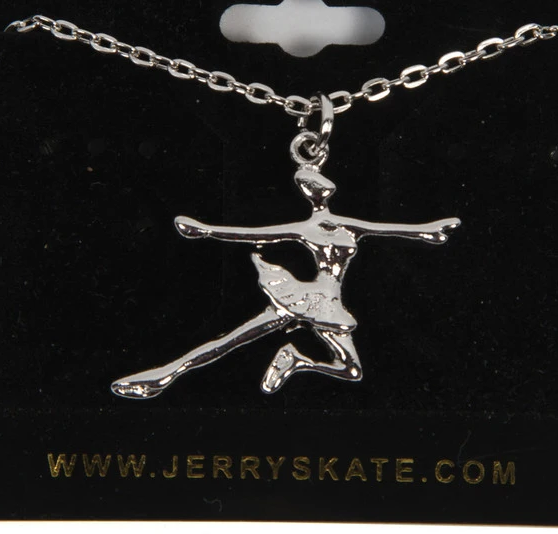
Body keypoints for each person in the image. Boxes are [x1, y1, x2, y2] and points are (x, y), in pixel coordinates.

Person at [111, 163, 459, 398]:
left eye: (321, 184)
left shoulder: (348, 224)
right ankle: (164, 375)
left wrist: (430, 231)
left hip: (329, 303)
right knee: (231, 339)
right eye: (314, 185)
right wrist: (207, 231)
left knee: (352, 371)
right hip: (306, 298)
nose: (321, 189)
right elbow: (250, 234)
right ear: (310, 194)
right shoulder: (305, 227)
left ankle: (296, 359)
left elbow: (393, 229)